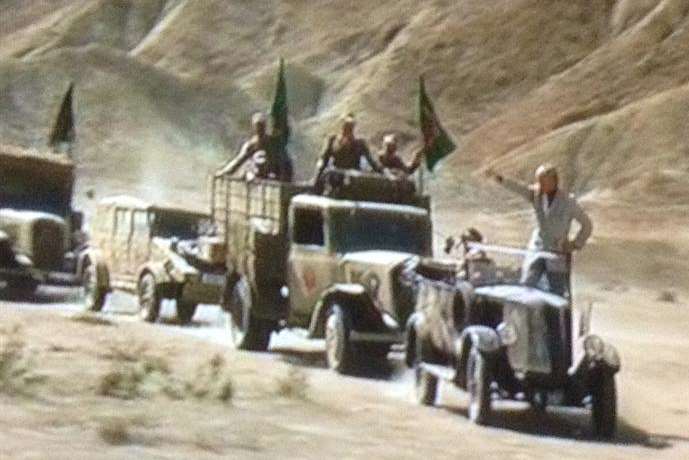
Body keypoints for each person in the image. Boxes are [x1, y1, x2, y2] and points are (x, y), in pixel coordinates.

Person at [486, 164, 592, 295]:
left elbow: (587, 225)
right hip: (537, 248)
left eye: (542, 181)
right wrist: (499, 178)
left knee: (557, 293)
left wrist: (575, 244)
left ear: (553, 181)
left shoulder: (568, 202)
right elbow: (519, 188)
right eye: (538, 181)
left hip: (557, 252)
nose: (539, 185)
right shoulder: (536, 195)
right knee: (527, 284)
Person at [216, 112, 293, 181]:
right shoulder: (252, 145)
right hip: (259, 175)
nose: (260, 129)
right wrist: (224, 172)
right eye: (258, 126)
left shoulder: (272, 143)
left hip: (273, 175)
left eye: (261, 126)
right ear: (254, 127)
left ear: (265, 127)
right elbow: (238, 161)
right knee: (247, 169)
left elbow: (282, 163)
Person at [314, 113, 382, 182]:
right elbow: (324, 160)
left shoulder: (360, 143)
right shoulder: (333, 140)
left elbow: (372, 162)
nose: (348, 130)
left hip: (353, 178)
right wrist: (318, 177)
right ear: (342, 127)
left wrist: (383, 171)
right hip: (336, 176)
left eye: (350, 128)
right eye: (346, 127)